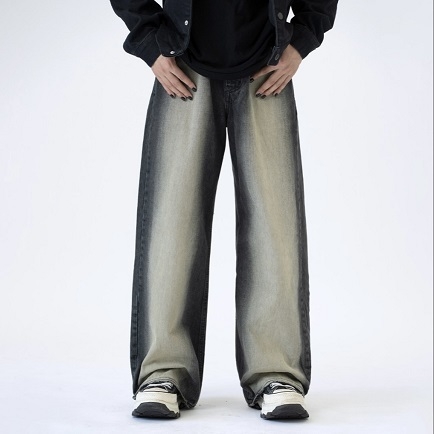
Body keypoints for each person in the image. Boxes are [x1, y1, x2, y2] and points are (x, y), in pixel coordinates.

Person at [110, 0, 338, 420]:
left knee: (275, 226)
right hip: (183, 64)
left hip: (266, 63)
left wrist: (301, 42)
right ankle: (163, 372)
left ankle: (276, 374)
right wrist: (150, 44)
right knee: (171, 227)